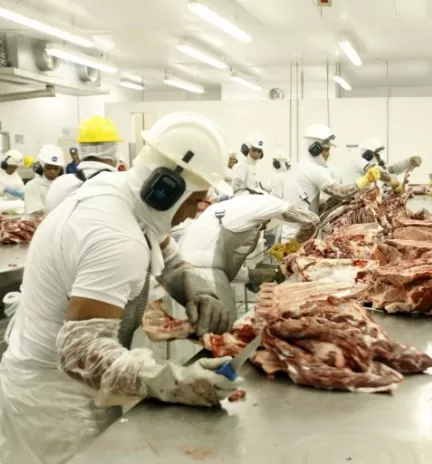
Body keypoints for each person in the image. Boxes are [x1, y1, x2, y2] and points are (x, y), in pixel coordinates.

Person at [0, 112, 240, 464]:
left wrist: (196, 291)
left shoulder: (124, 193)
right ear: (165, 189)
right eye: (193, 202)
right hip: (56, 402)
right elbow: (82, 351)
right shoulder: (115, 237)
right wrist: (173, 380)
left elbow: (169, 257)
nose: (192, 215)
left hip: (77, 388)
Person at [177, 195, 319, 317]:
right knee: (221, 335)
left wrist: (259, 274)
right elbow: (311, 221)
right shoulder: (266, 203)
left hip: (187, 277)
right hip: (203, 282)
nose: (264, 227)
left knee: (213, 335)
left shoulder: (225, 212)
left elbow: (220, 264)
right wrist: (291, 248)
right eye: (265, 224)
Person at [281, 123, 382, 241]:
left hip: (298, 231)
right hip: (298, 235)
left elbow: (308, 204)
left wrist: (333, 203)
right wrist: (365, 180)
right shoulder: (312, 169)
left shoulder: (301, 166)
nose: (328, 153)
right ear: (315, 149)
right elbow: (340, 192)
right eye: (326, 150)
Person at [45, 116, 123, 213]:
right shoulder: (122, 186)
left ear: (81, 149)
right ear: (113, 150)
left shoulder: (60, 185)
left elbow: (49, 222)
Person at [344, 137, 421, 187]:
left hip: (367, 199)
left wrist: (408, 162)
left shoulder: (372, 162)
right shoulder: (358, 161)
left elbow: (389, 170)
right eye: (377, 155)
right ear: (368, 155)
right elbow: (380, 173)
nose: (379, 158)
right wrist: (391, 180)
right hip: (354, 202)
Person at [24, 144, 64, 216]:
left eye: (56, 168)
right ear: (41, 168)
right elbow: (37, 213)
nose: (52, 172)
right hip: (35, 224)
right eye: (49, 168)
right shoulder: (32, 186)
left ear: (60, 170)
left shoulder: (63, 185)